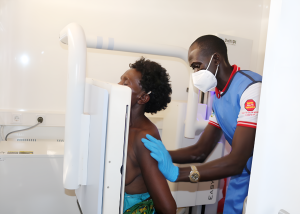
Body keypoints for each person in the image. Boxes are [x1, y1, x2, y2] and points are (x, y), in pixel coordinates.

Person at [142, 35, 262, 214]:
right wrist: (163, 154)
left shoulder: (250, 87)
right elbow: (200, 152)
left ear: (216, 59)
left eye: (197, 66)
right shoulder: (219, 97)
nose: (195, 73)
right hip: (242, 176)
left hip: (262, 179)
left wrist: (178, 174)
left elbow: (236, 160)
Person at [118, 57, 176, 214]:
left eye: (125, 83)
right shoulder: (120, 123)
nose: (117, 86)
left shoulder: (144, 137)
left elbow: (168, 208)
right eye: (120, 80)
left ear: (143, 98)